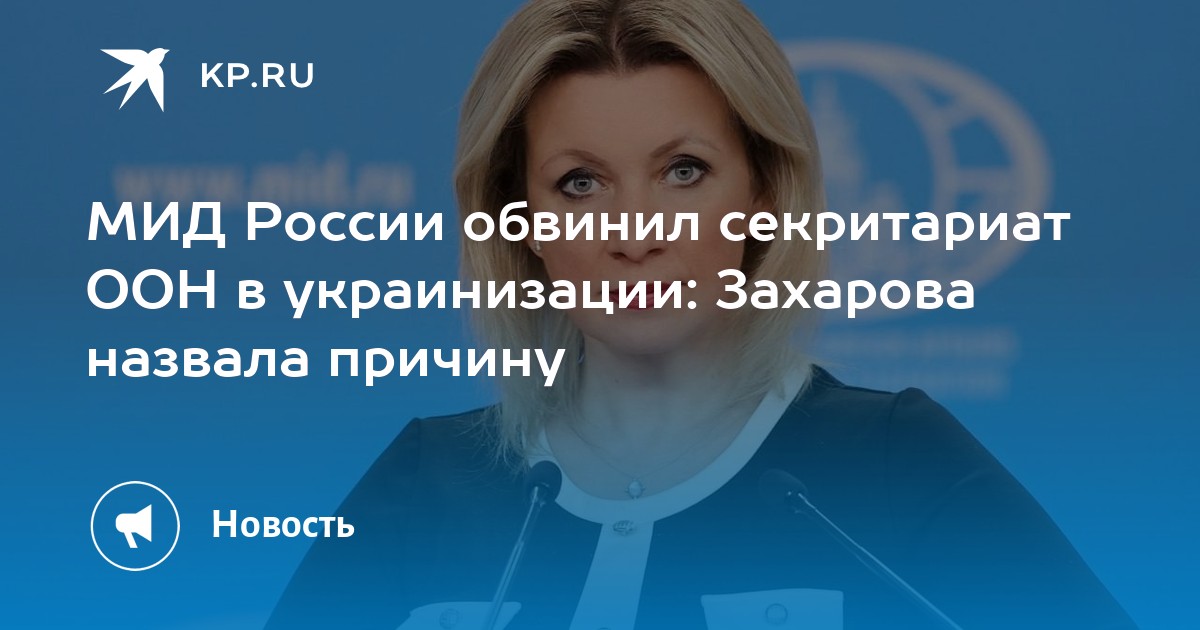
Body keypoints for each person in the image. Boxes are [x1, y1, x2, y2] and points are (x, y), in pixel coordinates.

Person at [267, 1, 1137, 628]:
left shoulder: (891, 462)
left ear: (763, 192)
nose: (633, 234)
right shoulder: (426, 483)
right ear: (518, 220)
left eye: (682, 172)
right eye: (580, 183)